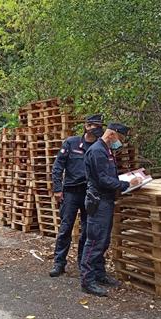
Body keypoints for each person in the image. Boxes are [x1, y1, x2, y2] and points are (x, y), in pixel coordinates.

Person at [80, 123, 141, 296]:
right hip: (98, 202)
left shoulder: (106, 150)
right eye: (120, 139)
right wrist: (126, 184)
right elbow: (103, 180)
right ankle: (87, 280)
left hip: (105, 201)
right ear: (112, 135)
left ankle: (99, 274)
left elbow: (108, 177)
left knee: (103, 241)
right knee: (94, 241)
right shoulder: (98, 151)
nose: (120, 143)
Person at [49, 114, 105, 277]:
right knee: (66, 228)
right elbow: (58, 167)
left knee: (87, 230)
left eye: (100, 126)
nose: (98, 129)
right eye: (95, 126)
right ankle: (59, 263)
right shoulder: (71, 143)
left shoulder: (100, 147)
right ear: (87, 126)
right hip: (71, 193)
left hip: (90, 194)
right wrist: (58, 189)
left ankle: (83, 263)